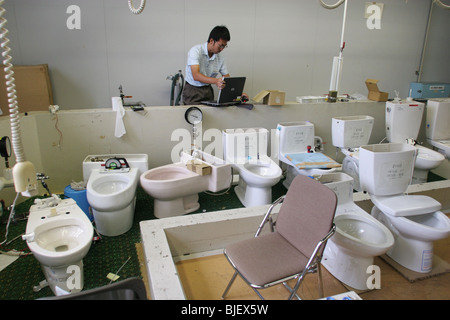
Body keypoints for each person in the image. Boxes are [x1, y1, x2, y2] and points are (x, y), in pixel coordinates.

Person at [182, 25, 231, 105]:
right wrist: (216, 81)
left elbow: (227, 77)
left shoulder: (219, 56)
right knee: (194, 115)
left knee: (210, 115)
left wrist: (238, 94)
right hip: (193, 91)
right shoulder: (195, 51)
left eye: (224, 46)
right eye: (220, 45)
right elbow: (196, 75)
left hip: (208, 90)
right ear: (211, 41)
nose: (222, 49)